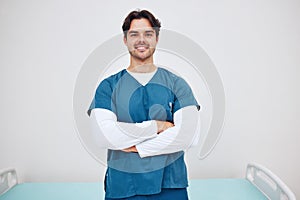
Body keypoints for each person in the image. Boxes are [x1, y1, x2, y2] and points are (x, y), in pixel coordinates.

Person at [88, 9, 200, 200]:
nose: (141, 40)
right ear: (125, 39)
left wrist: (137, 147)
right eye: (134, 34)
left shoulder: (176, 84)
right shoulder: (108, 87)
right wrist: (158, 126)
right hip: (124, 187)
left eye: (148, 34)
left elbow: (187, 136)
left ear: (156, 38)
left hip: (170, 186)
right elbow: (103, 136)